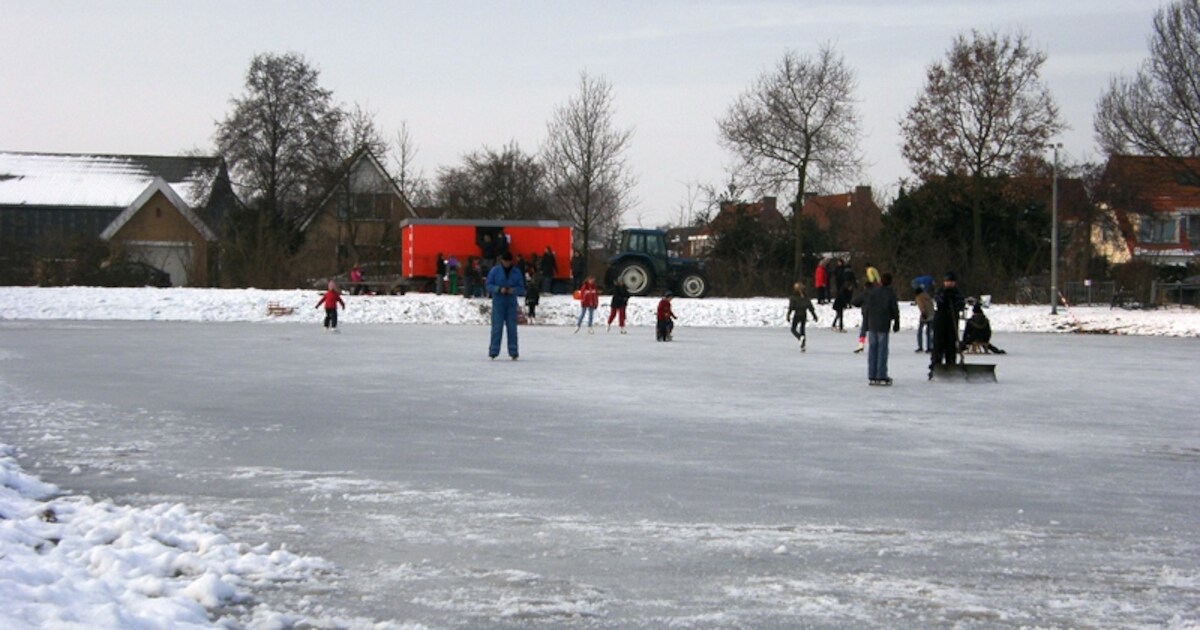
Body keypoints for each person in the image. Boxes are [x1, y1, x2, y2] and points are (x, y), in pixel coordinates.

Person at [862, 272, 901, 385]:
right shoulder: (890, 293)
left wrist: (866, 324)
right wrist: (896, 322)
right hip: (883, 324)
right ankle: (881, 375)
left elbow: (867, 308)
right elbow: (894, 308)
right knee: (882, 350)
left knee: (873, 350)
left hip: (872, 324)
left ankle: (872, 374)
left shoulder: (873, 292)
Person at [486, 252, 525, 360]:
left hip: (511, 304)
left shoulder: (516, 272)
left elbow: (521, 288)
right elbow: (488, 285)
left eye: (508, 262)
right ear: (502, 261)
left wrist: (513, 290)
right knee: (496, 328)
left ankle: (513, 351)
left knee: (512, 329)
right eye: (505, 261)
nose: (506, 263)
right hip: (498, 303)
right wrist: (498, 289)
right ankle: (493, 351)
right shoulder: (495, 271)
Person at [929, 271, 967, 376]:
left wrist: (955, 302)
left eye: (951, 282)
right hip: (941, 320)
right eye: (947, 282)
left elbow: (961, 304)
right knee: (938, 345)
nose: (949, 284)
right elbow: (938, 300)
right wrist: (945, 296)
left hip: (952, 320)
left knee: (951, 345)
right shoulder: (940, 291)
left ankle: (951, 367)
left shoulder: (957, 293)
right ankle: (935, 367)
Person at [786, 282, 818, 351]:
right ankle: (803, 345)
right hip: (804, 314)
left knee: (793, 329)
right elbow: (810, 306)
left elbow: (791, 307)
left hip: (797, 314)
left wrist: (788, 315)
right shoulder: (805, 296)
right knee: (802, 329)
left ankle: (800, 337)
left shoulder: (793, 296)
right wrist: (814, 315)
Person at [915, 285, 934, 353]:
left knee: (920, 331)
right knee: (929, 332)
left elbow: (921, 305)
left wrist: (923, 313)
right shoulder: (927, 296)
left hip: (925, 315)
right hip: (932, 314)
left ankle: (920, 346)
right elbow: (931, 304)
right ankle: (930, 346)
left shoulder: (919, 297)